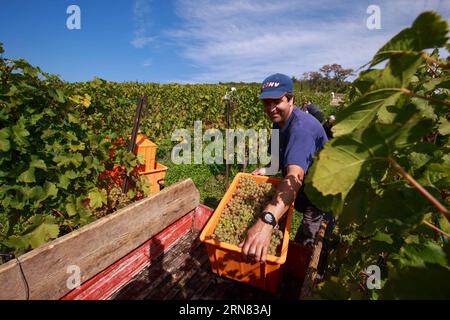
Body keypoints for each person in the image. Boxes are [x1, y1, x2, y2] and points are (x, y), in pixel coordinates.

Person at [239, 73, 331, 263]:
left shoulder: (301, 129)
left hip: (322, 193)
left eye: (277, 101)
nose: (271, 108)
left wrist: (266, 222)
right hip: (303, 189)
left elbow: (294, 177)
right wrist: (266, 170)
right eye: (266, 102)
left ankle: (309, 272)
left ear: (291, 100)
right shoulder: (278, 123)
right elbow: (278, 159)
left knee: (308, 238)